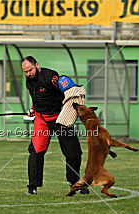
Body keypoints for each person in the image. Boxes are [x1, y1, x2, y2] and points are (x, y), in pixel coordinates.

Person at [21, 56, 89, 195]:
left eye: (30, 70)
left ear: (37, 65)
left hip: (60, 118)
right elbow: (36, 98)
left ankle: (75, 182)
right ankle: (32, 187)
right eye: (26, 72)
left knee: (73, 152)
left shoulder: (51, 76)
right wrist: (33, 109)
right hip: (42, 120)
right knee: (35, 152)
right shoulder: (29, 81)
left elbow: (67, 91)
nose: (29, 74)